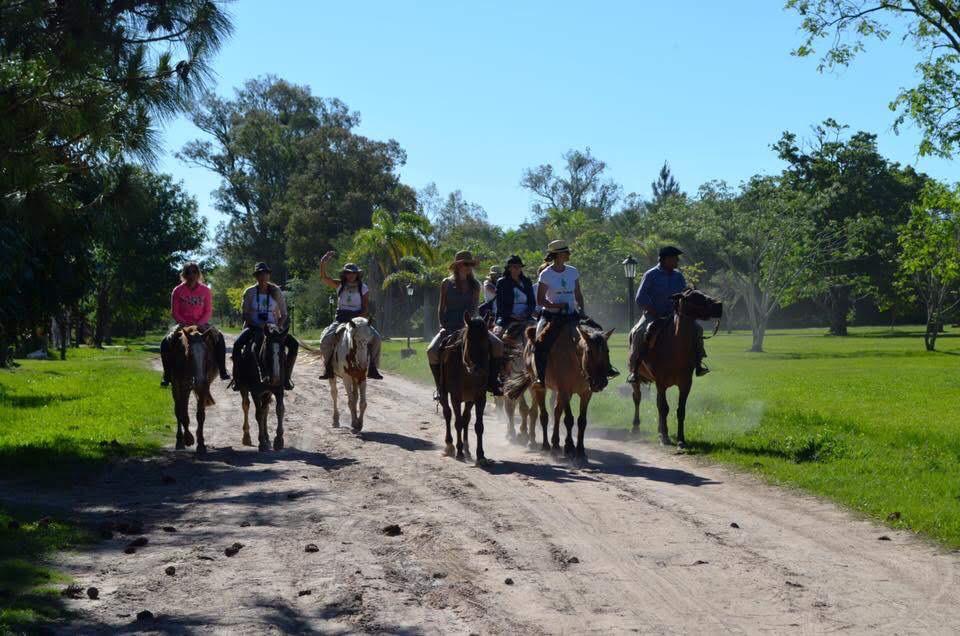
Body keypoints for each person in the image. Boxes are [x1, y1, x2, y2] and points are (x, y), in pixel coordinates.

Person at [532, 240, 619, 387]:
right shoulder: (546, 274)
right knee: (540, 344)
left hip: (572, 314)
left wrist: (582, 311)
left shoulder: (572, 271)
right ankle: (540, 377)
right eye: (566, 252)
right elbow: (540, 300)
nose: (569, 254)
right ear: (558, 255)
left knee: (598, 332)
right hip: (551, 316)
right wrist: (557, 305)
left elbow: (578, 293)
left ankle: (607, 367)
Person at [427, 250, 506, 397]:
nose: (468, 267)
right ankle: (440, 387)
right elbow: (441, 306)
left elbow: (475, 309)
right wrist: (442, 325)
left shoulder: (475, 285)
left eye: (470, 264)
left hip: (470, 326)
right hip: (450, 326)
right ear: (457, 266)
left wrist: (475, 326)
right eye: (465, 264)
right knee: (431, 351)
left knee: (498, 345)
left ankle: (492, 382)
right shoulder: (446, 283)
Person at [626, 246, 708, 383]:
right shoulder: (650, 275)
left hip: (675, 315)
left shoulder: (678, 276)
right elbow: (640, 297)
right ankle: (635, 369)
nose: (677, 262)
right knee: (639, 332)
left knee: (697, 329)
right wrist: (653, 311)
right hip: (653, 315)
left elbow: (684, 294)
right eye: (675, 259)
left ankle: (698, 363)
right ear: (666, 259)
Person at [316, 251, 383, 380]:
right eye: (348, 273)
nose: (351, 275)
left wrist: (359, 321)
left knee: (377, 339)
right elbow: (324, 278)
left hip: (357, 319)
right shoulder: (339, 285)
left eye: (353, 273)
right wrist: (323, 263)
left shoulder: (363, 288)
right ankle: (328, 367)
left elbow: (365, 307)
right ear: (345, 274)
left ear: (357, 274)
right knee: (325, 341)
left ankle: (373, 367)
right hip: (340, 319)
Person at [160, 262, 230, 386]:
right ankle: (167, 375)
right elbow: (175, 312)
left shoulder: (205, 290)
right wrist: (185, 323)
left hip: (202, 323)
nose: (191, 275)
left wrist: (199, 323)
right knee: (166, 341)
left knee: (219, 337)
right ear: (183, 275)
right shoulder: (178, 290)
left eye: (194, 272)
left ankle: (222, 370)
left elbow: (208, 311)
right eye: (188, 272)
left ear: (198, 274)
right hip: (183, 323)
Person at [231, 262, 299, 390]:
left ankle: (286, 377)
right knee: (237, 344)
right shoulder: (250, 292)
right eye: (260, 274)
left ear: (269, 275)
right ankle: (237, 378)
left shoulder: (276, 291)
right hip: (254, 327)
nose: (263, 277)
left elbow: (283, 314)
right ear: (256, 276)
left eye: (265, 274)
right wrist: (258, 325)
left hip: (273, 329)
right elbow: (245, 314)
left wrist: (278, 327)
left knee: (294, 344)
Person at [493, 255, 536, 336]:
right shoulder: (502, 282)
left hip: (526, 316)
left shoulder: (527, 281)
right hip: (506, 317)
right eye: (515, 267)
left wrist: (525, 314)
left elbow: (532, 302)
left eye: (519, 267)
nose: (518, 269)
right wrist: (512, 315)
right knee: (497, 336)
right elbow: (500, 304)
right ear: (509, 268)